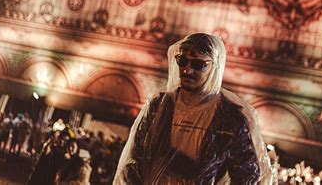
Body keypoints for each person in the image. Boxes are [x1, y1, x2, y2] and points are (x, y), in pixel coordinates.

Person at [114, 33, 271, 184]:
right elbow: (134, 160)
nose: (187, 70)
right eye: (182, 61)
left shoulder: (230, 118)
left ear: (215, 67)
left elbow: (247, 176)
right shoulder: (159, 105)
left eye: (198, 64)